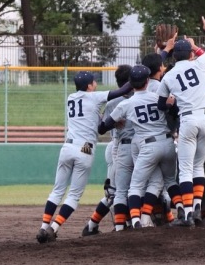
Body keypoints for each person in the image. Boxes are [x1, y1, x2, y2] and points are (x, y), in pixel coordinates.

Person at [36, 70, 133, 243]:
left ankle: (44, 227)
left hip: (67, 145)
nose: (95, 83)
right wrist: (137, 77)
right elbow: (120, 91)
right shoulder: (94, 97)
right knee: (73, 195)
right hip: (85, 146)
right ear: (89, 86)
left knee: (57, 191)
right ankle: (54, 228)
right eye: (93, 81)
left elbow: (95, 122)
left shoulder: (71, 98)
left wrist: (107, 121)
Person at [99, 65, 184, 228]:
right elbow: (174, 112)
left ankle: (136, 221)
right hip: (167, 142)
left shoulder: (126, 104)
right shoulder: (158, 97)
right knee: (169, 181)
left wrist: (108, 120)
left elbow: (103, 127)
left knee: (135, 186)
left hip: (147, 146)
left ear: (130, 83)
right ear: (147, 81)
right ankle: (180, 208)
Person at [156, 16, 205, 226]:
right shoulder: (200, 63)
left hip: (189, 119)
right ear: (191, 53)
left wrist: (173, 103)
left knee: (185, 168)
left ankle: (188, 213)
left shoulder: (169, 76)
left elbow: (161, 105)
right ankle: (198, 207)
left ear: (174, 54)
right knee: (199, 165)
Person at [81, 65, 132, 236]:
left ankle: (128, 223)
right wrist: (112, 122)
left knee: (131, 189)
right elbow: (101, 126)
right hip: (117, 146)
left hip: (133, 147)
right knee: (114, 193)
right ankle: (92, 226)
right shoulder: (113, 102)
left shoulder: (137, 96)